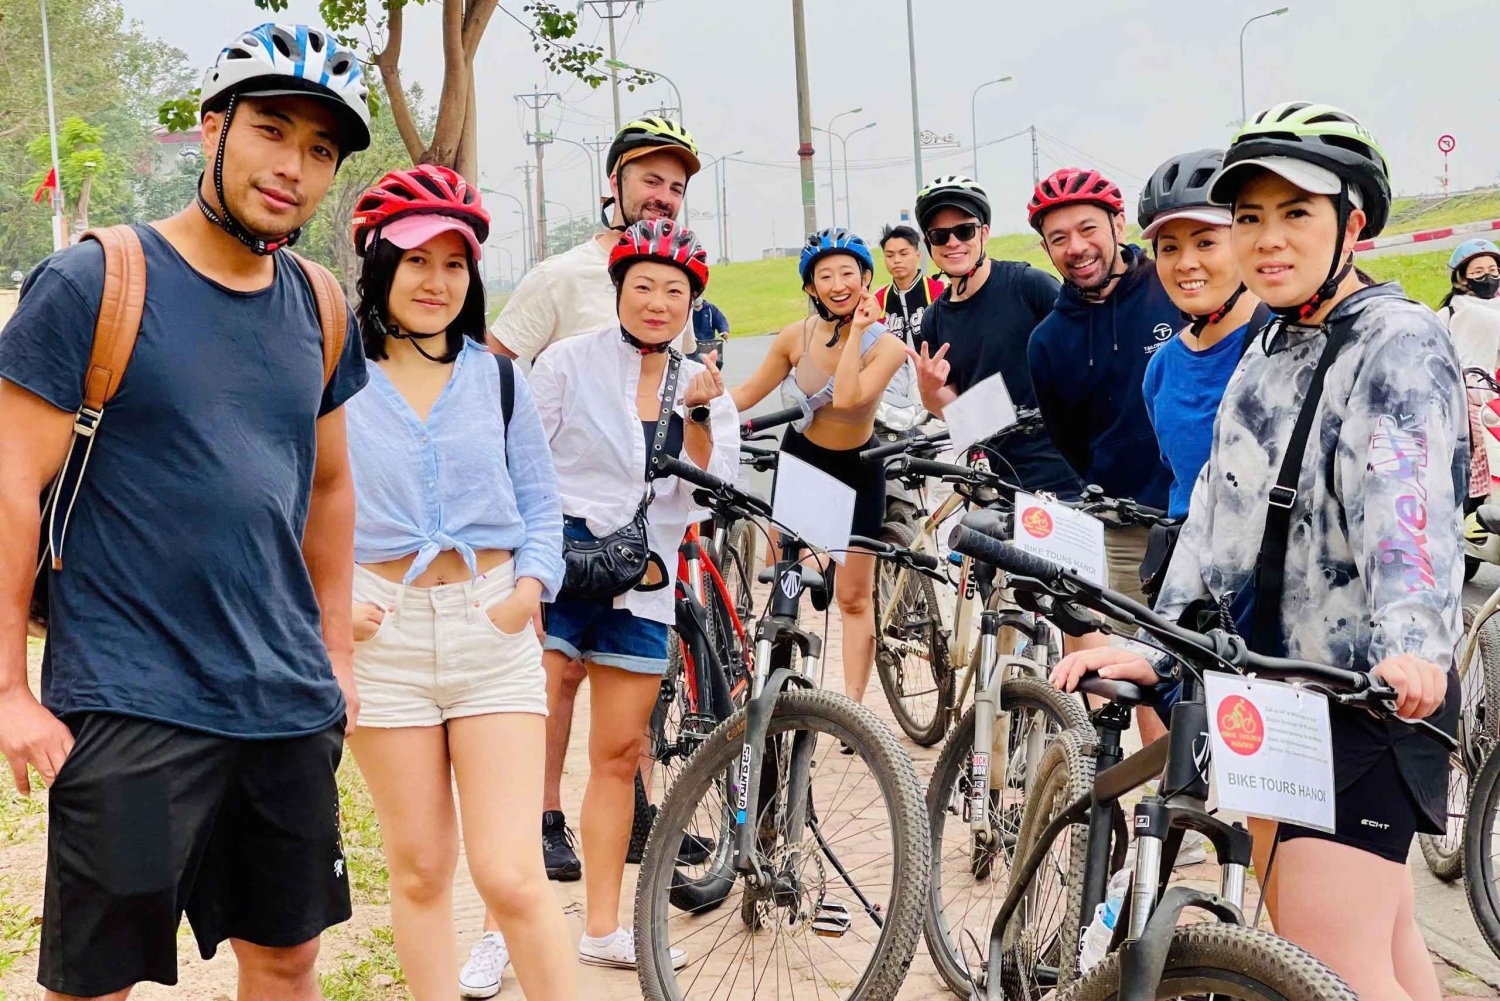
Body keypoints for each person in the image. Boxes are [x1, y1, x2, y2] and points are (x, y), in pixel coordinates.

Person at [1052, 102, 1462, 1001]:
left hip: (1368, 693)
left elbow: (1410, 508)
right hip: (1276, 688)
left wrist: (1412, 642)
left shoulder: (1396, 341)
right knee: (1381, 950)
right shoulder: (1269, 343)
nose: (1267, 241)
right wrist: (1161, 642)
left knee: (1326, 960)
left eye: (1296, 213)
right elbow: (1216, 519)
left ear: (1353, 223)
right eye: (1250, 218)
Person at [0, 23, 370, 998]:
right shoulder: (98, 280)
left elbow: (330, 484)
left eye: (320, 149)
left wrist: (334, 650)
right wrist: (8, 688)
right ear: (213, 129)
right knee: (99, 979)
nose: (293, 166)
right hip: (129, 694)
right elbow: (8, 487)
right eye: (272, 131)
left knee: (288, 956)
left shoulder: (320, 304)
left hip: (284, 696)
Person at [340, 166, 574, 1001]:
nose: (436, 281)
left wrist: (529, 589)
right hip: (384, 639)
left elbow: (543, 504)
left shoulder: (498, 378)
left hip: (492, 630)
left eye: (454, 263)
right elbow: (296, 502)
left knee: (511, 872)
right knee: (421, 870)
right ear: (376, 266)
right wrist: (334, 599)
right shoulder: (337, 380)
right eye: (415, 261)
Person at [527, 218, 738, 970]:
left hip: (643, 579)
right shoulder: (563, 362)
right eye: (642, 286)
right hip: (555, 567)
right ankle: (500, 929)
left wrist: (704, 416)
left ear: (692, 304)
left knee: (619, 753)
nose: (656, 301)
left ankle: (604, 927)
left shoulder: (701, 382)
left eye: (673, 291)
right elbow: (523, 461)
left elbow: (713, 492)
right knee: (528, 743)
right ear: (618, 289)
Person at [1026, 165, 1181, 747]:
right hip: (1123, 529)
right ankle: (1166, 814)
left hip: (1202, 516)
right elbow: (1070, 439)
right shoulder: (1048, 340)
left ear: (1118, 224)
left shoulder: (1172, 286)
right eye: (1059, 239)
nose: (1077, 248)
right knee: (1140, 669)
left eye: (1087, 229)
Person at [731, 228, 908, 706]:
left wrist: (853, 334)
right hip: (804, 459)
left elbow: (849, 397)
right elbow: (746, 395)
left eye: (848, 272)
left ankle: (850, 707)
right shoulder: (795, 337)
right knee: (781, 574)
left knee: (854, 597)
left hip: (860, 466)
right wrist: (706, 400)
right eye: (824, 275)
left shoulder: (886, 346)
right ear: (810, 287)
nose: (837, 283)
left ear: (866, 279)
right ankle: (774, 682)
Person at [903, 175, 1082, 497]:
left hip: (1067, 469)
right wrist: (929, 390)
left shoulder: (1030, 286)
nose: (953, 243)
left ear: (984, 233)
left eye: (964, 231)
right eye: (940, 236)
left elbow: (1085, 360)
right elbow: (952, 409)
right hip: (1001, 475)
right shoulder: (934, 319)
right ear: (929, 244)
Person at [490, 116, 701, 363]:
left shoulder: (676, 279)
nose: (665, 198)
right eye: (652, 182)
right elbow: (485, 376)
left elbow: (678, 380)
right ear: (615, 183)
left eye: (676, 189)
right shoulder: (558, 276)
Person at [1137, 148, 1270, 521]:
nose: (1185, 263)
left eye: (1205, 242)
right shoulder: (1161, 368)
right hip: (1192, 568)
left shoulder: (1292, 341)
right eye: (1169, 248)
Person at [875, 224, 945, 349]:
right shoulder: (878, 299)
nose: (896, 260)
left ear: (918, 256)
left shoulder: (940, 290)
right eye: (890, 255)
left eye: (903, 254)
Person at [690, 295, 729, 363]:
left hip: (709, 343)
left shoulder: (710, 308)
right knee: (695, 364)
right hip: (693, 344)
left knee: (716, 362)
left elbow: (720, 321)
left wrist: (724, 330)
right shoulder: (688, 311)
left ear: (702, 295)